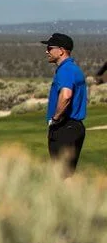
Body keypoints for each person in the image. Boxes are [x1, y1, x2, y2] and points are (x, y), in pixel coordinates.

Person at [43, 32, 87, 173]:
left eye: (50, 48)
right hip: (74, 128)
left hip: (65, 127)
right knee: (67, 174)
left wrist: (55, 119)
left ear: (61, 51)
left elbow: (66, 95)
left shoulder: (66, 70)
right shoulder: (73, 68)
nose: (46, 51)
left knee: (62, 175)